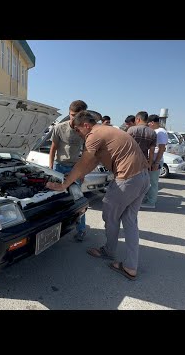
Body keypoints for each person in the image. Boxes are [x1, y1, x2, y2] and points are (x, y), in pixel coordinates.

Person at [46, 111, 150, 280]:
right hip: (143, 178)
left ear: (86, 125)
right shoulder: (107, 131)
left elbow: (83, 162)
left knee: (110, 216)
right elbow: (92, 162)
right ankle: (131, 266)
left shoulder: (94, 134)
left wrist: (64, 184)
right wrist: (78, 175)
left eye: (78, 130)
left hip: (127, 179)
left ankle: (108, 251)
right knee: (130, 221)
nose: (78, 134)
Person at [48, 100, 88, 242]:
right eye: (71, 115)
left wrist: (82, 172)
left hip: (75, 168)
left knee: (78, 198)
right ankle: (55, 228)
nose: (73, 118)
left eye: (77, 115)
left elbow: (86, 152)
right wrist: (51, 167)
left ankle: (81, 229)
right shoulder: (59, 128)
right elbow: (53, 148)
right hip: (59, 167)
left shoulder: (85, 130)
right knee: (56, 199)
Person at [141, 114, 168, 209]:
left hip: (155, 161)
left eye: (148, 123)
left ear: (152, 123)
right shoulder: (156, 131)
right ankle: (148, 199)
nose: (148, 125)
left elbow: (161, 148)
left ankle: (151, 202)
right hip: (152, 161)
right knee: (149, 182)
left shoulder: (160, 132)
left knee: (153, 183)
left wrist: (156, 163)